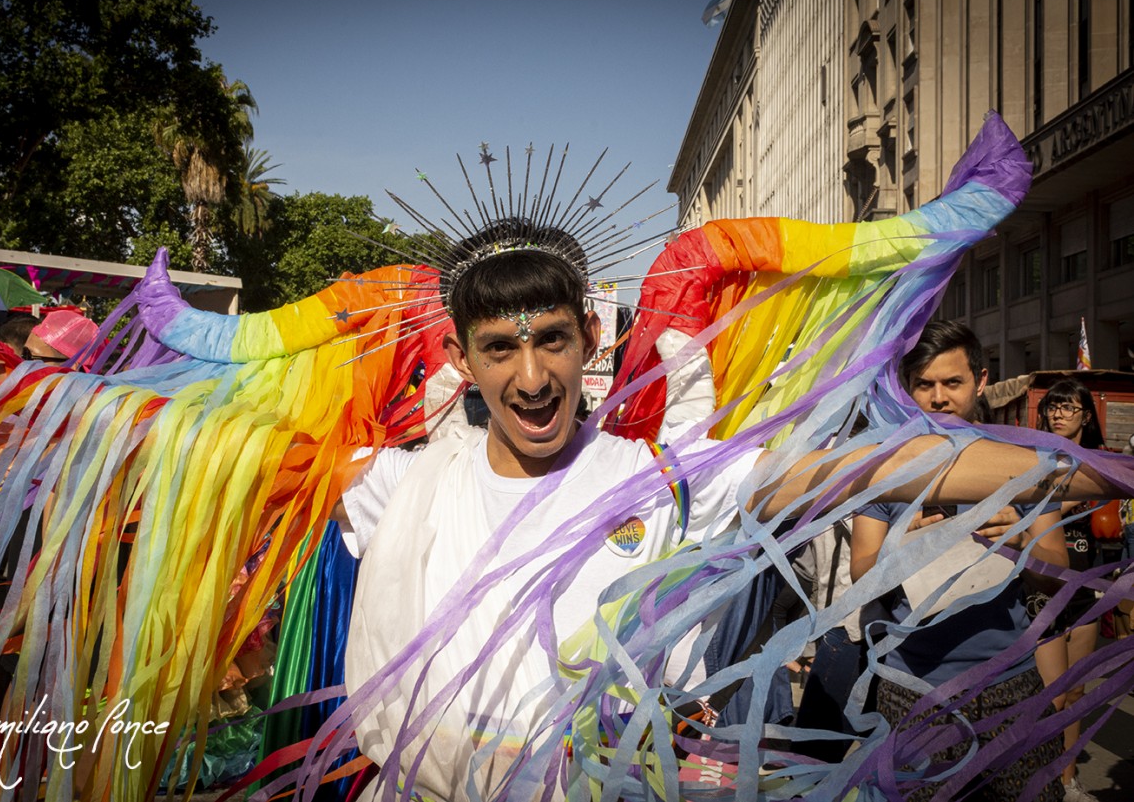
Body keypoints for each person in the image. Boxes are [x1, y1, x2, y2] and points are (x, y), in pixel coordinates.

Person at [339, 240, 1107, 799]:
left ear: (590, 339)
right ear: (460, 358)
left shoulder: (657, 477)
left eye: (551, 340)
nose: (532, 376)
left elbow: (863, 470)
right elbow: (240, 428)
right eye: (500, 348)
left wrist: (1082, 470)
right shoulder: (402, 485)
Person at [852, 320, 1069, 802]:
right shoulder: (886, 467)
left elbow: (1059, 571)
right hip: (912, 688)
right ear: (907, 389)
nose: (938, 398)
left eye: (953, 382)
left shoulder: (1022, 459)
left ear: (982, 381)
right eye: (924, 384)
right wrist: (900, 549)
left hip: (1010, 684)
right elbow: (861, 572)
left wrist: (1020, 543)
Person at [1031, 379, 1104, 802]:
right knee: (1051, 697)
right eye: (1053, 407)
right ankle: (1036, 779)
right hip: (1045, 587)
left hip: (1087, 584)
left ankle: (1067, 779)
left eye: (1068, 407)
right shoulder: (1036, 458)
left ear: (1086, 416)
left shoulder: (1099, 462)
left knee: (1076, 691)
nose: (1059, 414)